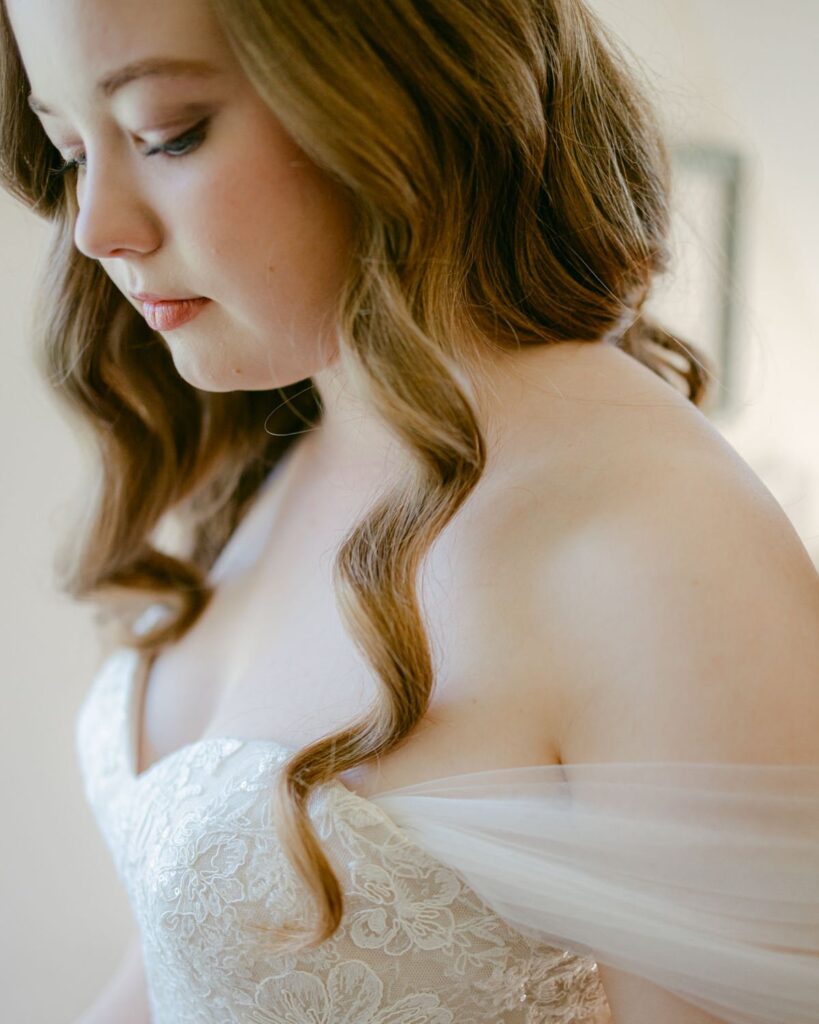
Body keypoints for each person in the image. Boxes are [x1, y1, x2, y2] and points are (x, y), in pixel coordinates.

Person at [3, 1, 818, 1022]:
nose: (95, 228)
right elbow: (188, 953)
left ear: (398, 78)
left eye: (169, 131)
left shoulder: (658, 550)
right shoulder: (302, 427)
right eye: (70, 145)